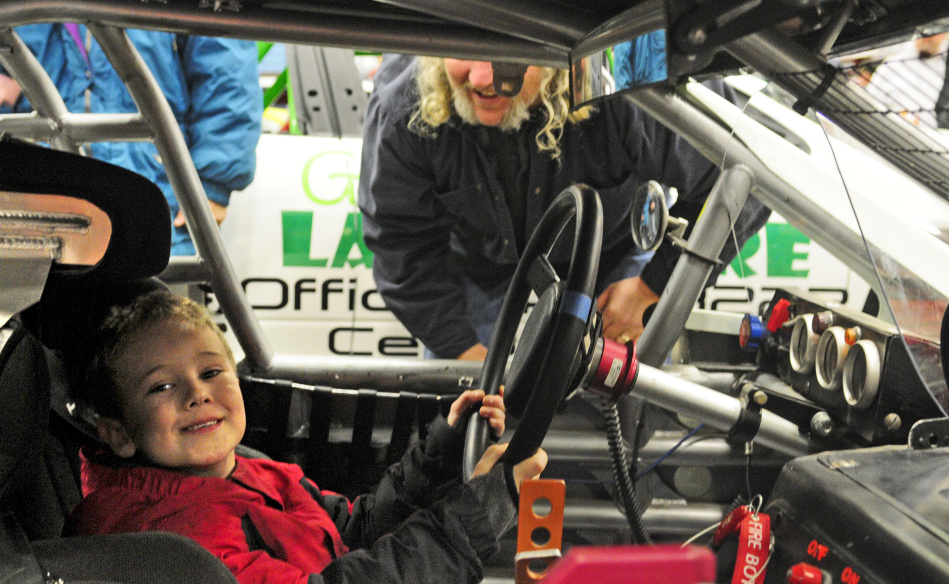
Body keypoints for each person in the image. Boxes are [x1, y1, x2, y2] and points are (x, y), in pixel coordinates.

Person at [65, 290, 547, 584]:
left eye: (212, 371)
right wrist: (484, 507)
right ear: (119, 433)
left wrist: (442, 453)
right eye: (161, 386)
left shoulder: (249, 468)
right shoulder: (166, 539)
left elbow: (353, 533)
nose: (197, 394)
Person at [358, 55, 769, 359]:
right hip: (479, 273)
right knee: (463, 427)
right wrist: (467, 356)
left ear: (558, 58)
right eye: (466, 49)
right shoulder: (407, 106)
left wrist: (652, 287)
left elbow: (745, 181)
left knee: (621, 405)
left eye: (507, 54)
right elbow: (402, 249)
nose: (482, 78)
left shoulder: (626, 74)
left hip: (611, 260)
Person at [0, 24, 262, 255]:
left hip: (157, 189)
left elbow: (226, 71)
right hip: (38, 200)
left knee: (158, 302)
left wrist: (211, 185)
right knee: (41, 302)